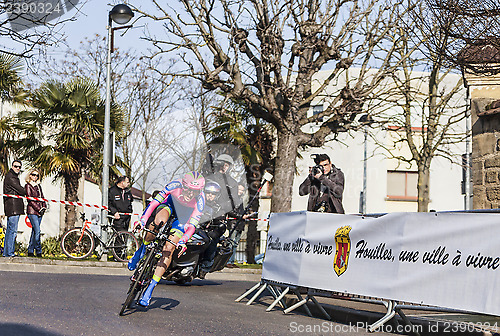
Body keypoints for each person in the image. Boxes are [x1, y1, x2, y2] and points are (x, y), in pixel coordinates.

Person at [128, 171, 205, 307]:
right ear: (183, 186)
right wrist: (143, 220)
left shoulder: (200, 200)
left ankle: (150, 289)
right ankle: (142, 250)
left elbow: (192, 226)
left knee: (169, 249)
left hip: (182, 218)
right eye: (189, 190)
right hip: (169, 206)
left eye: (196, 191)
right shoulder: (174, 185)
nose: (191, 194)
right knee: (158, 222)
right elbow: (152, 205)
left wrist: (183, 240)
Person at [198, 181, 226, 279]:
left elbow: (221, 222)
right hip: (193, 228)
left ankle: (205, 266)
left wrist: (217, 228)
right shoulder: (198, 203)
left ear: (217, 195)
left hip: (207, 231)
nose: (210, 195)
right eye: (208, 193)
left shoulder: (218, 208)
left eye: (213, 194)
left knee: (212, 240)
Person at [2, 160, 26, 257]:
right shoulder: (11, 177)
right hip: (13, 207)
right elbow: (21, 190)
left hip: (11, 207)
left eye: (19, 167)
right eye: (16, 166)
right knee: (12, 231)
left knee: (9, 231)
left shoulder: (12, 176)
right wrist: (27, 188)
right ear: (12, 166)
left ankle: (6, 253)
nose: (18, 168)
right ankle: (9, 253)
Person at [25, 169, 47, 257]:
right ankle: (38, 251)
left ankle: (30, 250)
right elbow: (29, 199)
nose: (35, 177)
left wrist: (44, 206)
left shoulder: (38, 186)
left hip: (40, 212)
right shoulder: (28, 186)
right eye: (33, 175)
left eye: (37, 175)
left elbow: (42, 197)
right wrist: (38, 208)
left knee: (34, 231)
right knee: (38, 231)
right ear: (30, 175)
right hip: (32, 211)